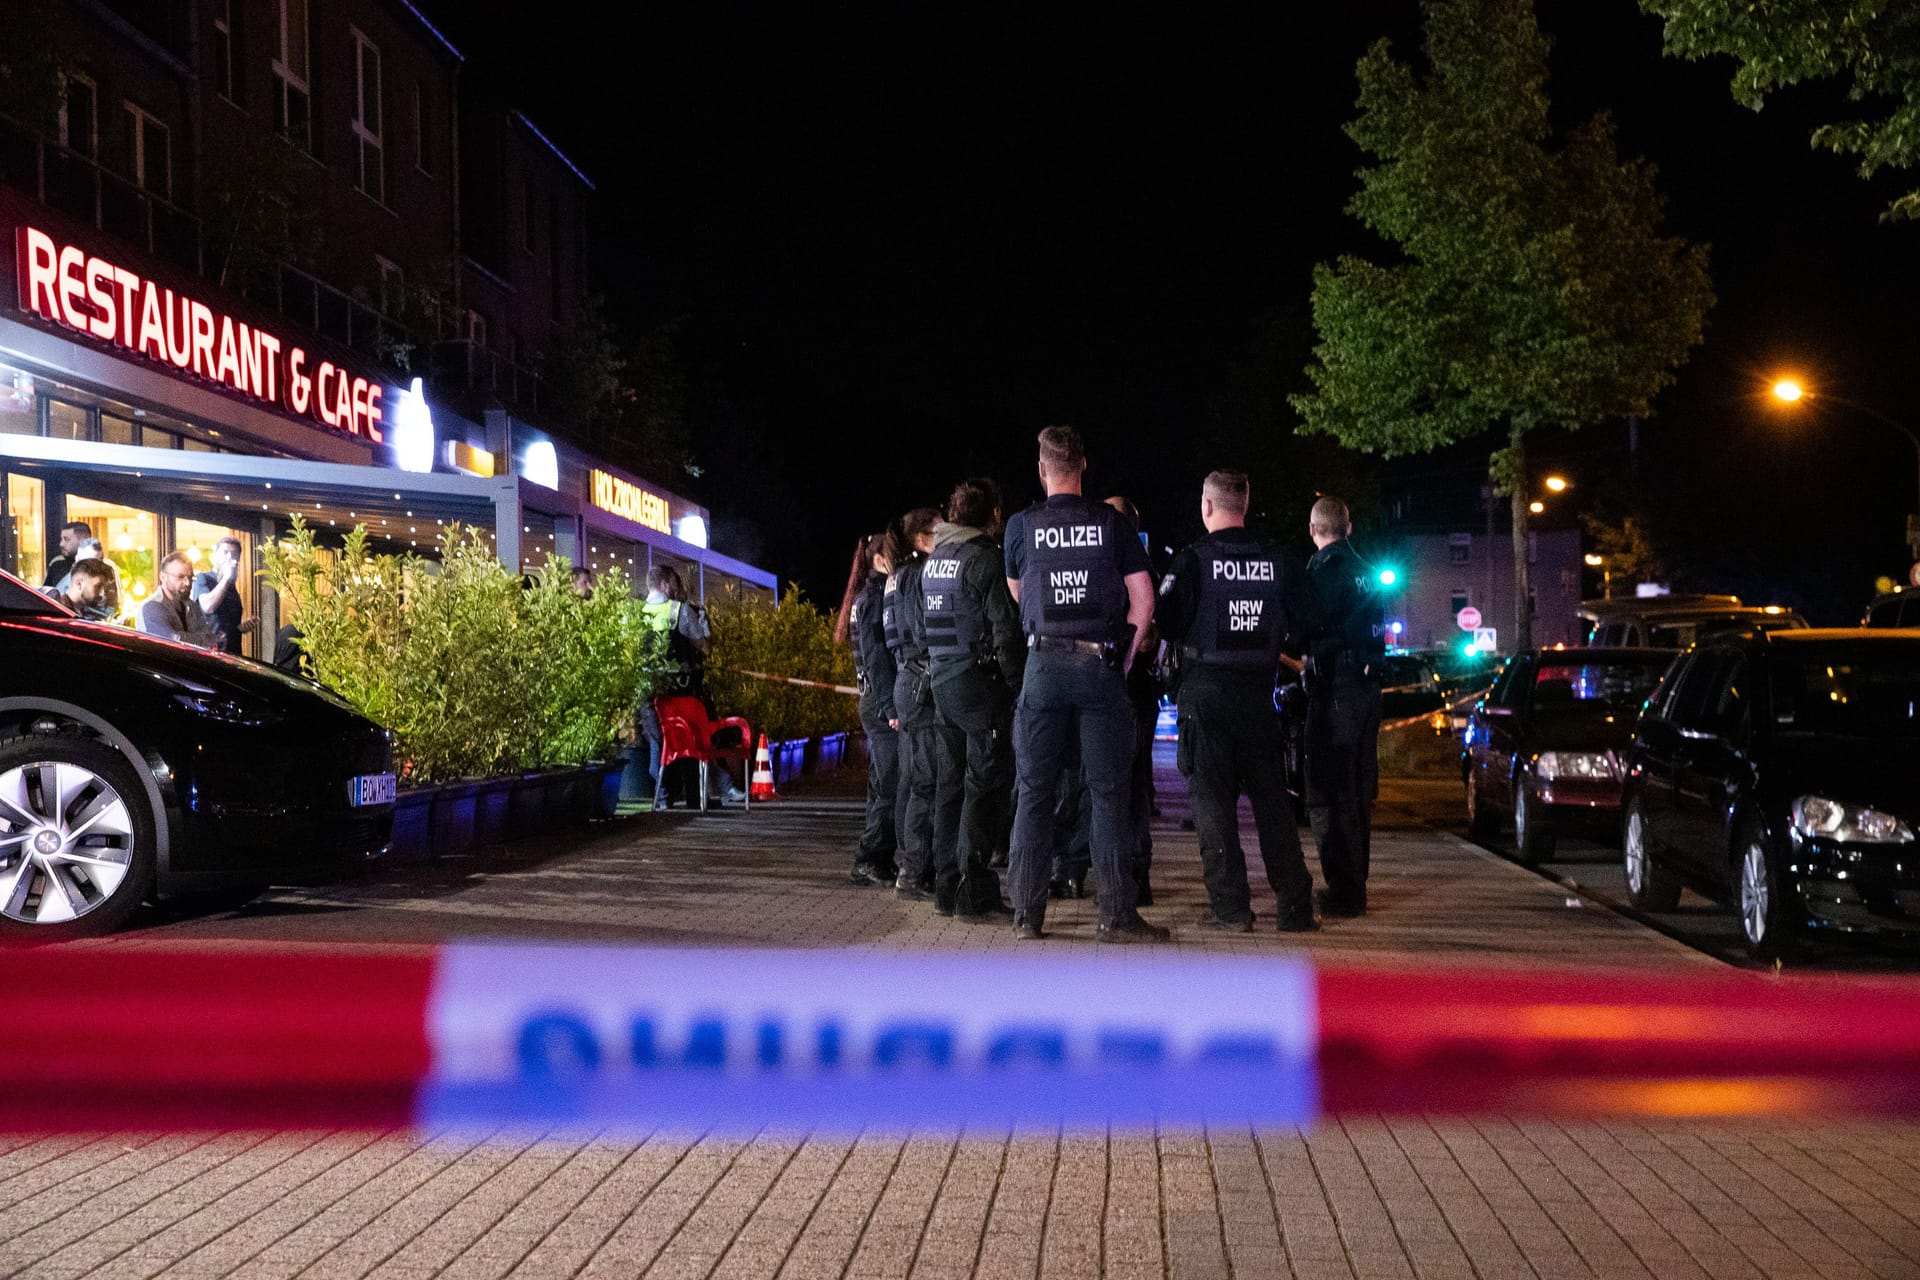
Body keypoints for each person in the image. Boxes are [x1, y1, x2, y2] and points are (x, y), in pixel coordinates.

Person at [1004, 425, 1160, 943]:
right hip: (1100, 665)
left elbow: (1019, 592)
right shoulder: (1112, 523)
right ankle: (1116, 915)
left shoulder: (1021, 526)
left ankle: (1027, 914)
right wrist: (1127, 655)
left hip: (1043, 665)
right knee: (1109, 793)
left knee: (1034, 792)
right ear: (1083, 466)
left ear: (1043, 469)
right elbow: (1143, 598)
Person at [1157, 470, 1318, 932]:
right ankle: (1294, 906)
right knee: (1272, 803)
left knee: (1212, 804)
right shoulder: (1277, 559)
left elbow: (1166, 623)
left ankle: (1231, 909)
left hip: (1205, 695)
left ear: (1207, 507)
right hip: (1257, 695)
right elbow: (1309, 616)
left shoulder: (1192, 560)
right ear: (1243, 506)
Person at [923, 478, 1023, 919]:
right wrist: (1019, 686)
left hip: (942, 684)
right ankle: (975, 892)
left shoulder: (936, 560)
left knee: (949, 789)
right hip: (979, 687)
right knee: (983, 789)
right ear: (993, 514)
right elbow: (1006, 633)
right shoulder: (984, 560)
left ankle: (946, 889)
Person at [1302, 495, 1385, 917]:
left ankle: (1345, 891)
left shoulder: (1323, 571)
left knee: (1328, 790)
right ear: (1348, 528)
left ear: (1314, 530)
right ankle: (1357, 884)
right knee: (1357, 788)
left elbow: (1305, 626)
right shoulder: (1370, 573)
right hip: (1369, 690)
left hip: (1336, 687)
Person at [886, 508, 940, 900]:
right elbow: (923, 632)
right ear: (921, 538)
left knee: (911, 781)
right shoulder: (918, 575)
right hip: (921, 682)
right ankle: (914, 872)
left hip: (907, 680)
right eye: (939, 531)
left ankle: (912, 864)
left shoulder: (896, 575)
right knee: (923, 781)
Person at [849, 531, 900, 886]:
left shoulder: (868, 595)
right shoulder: (874, 598)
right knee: (889, 783)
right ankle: (870, 858)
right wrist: (889, 706)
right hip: (879, 703)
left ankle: (876, 856)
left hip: (875, 700)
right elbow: (876, 659)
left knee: (881, 783)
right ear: (880, 558)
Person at [140, 551, 219, 648]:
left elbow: (211, 639)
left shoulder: (193, 607)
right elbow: (172, 641)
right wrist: (205, 640)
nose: (187, 583)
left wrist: (207, 640)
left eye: (190, 577)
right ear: (163, 577)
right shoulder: (151, 607)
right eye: (180, 577)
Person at [192, 537, 250, 655]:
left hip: (232, 652)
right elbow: (207, 607)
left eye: (234, 554)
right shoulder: (204, 578)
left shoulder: (231, 587)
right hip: (209, 652)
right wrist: (226, 578)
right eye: (225, 552)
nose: (229, 557)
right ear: (215, 556)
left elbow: (223, 625)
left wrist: (241, 628)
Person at [44, 557, 115, 621]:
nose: (102, 594)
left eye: (104, 588)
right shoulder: (59, 614)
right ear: (79, 584)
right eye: (98, 587)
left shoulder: (87, 613)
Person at [43, 521, 90, 589]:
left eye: (66, 539)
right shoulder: (56, 565)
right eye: (61, 539)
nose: (61, 544)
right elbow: (45, 595)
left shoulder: (102, 566)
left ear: (83, 541)